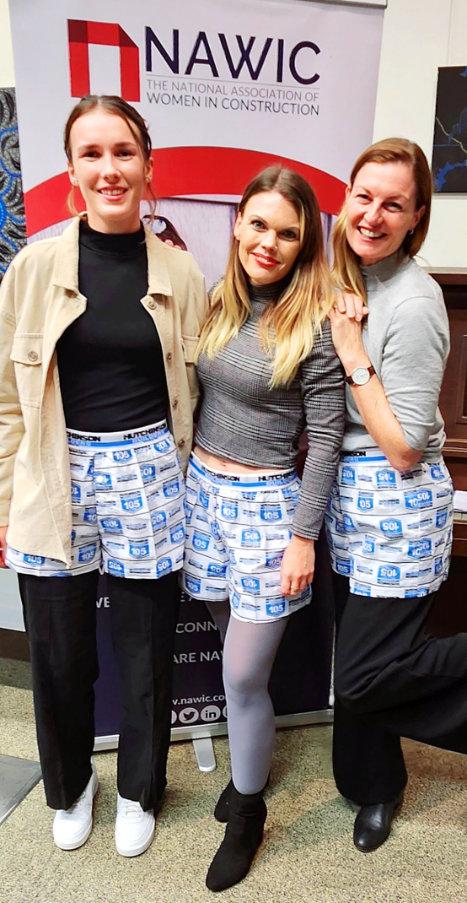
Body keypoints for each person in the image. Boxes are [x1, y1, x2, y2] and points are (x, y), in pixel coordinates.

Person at [0, 94, 207, 856]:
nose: (109, 168)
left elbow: (200, 389)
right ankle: (71, 786)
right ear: (70, 169)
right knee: (58, 654)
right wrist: (4, 502)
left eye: (123, 151)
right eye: (91, 153)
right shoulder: (32, 268)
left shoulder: (181, 270)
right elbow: (6, 399)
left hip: (148, 469)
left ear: (148, 166)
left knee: (145, 649)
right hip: (53, 473)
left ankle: (138, 789)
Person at [181, 165, 345, 891]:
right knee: (230, 654)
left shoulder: (314, 322)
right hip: (202, 497)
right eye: (258, 224)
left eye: (287, 232)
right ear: (238, 223)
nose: (268, 243)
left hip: (267, 511)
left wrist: (304, 535)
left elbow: (327, 438)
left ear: (305, 242)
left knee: (244, 674)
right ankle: (248, 768)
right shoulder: (220, 300)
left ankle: (247, 812)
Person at [327, 137, 467, 853]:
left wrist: (354, 355)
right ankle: (373, 783)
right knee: (359, 657)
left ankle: (376, 782)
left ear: (416, 218)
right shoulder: (345, 276)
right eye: (364, 196)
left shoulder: (414, 300)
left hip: (396, 498)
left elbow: (405, 445)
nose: (372, 215)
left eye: (393, 204)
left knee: (361, 674)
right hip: (346, 500)